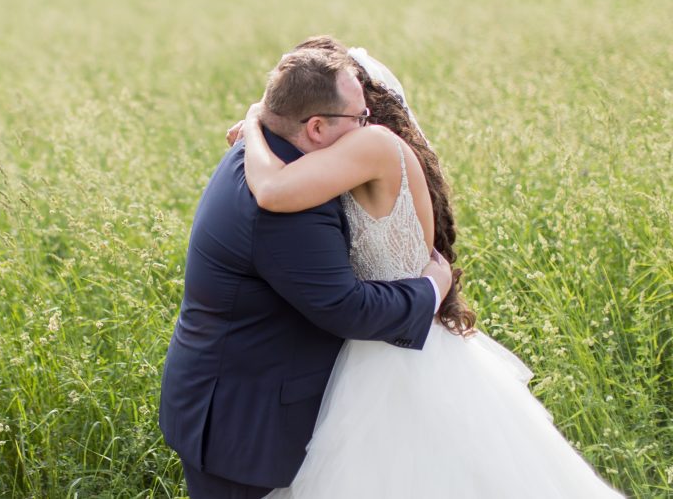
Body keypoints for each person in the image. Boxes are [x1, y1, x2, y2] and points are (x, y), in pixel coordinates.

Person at [237, 36, 623, 498]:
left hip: (397, 349)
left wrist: (256, 122)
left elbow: (274, 192)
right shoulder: (363, 149)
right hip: (390, 333)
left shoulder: (373, 145)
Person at [158, 43, 454, 499]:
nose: (368, 123)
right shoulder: (284, 197)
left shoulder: (267, 155)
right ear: (316, 126)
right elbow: (345, 307)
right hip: (243, 426)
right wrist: (432, 287)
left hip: (250, 390)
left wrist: (256, 118)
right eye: (360, 116)